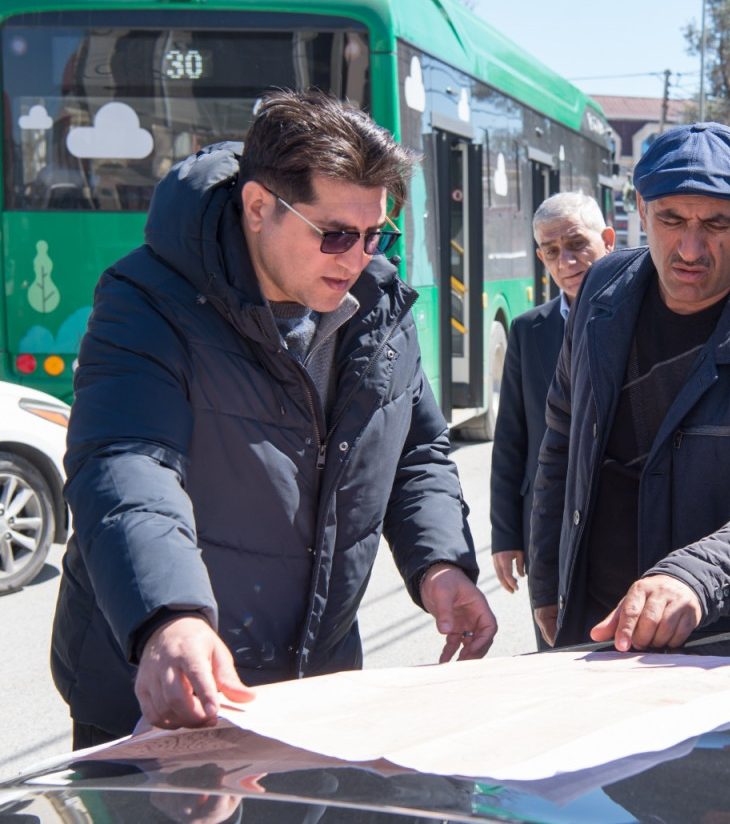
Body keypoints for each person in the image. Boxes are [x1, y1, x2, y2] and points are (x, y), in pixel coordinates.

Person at [51, 90, 497, 747]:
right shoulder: (149, 299)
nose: (359, 257)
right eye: (336, 234)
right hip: (167, 681)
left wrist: (439, 562)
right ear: (259, 207)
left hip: (315, 684)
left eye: (377, 234)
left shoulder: (380, 304)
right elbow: (127, 463)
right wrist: (169, 616)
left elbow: (414, 448)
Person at [528, 122, 730, 650]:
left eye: (717, 224)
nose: (690, 248)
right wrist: (547, 582)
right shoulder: (600, 292)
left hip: (724, 647)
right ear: (640, 210)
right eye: (672, 220)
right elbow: (562, 441)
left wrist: (690, 579)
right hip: (591, 627)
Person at [490, 192, 614, 648]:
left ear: (608, 241)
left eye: (577, 244)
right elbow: (511, 439)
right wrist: (506, 534)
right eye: (551, 251)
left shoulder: (642, 317)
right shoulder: (528, 330)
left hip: (619, 526)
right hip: (549, 531)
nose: (566, 261)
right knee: (557, 656)